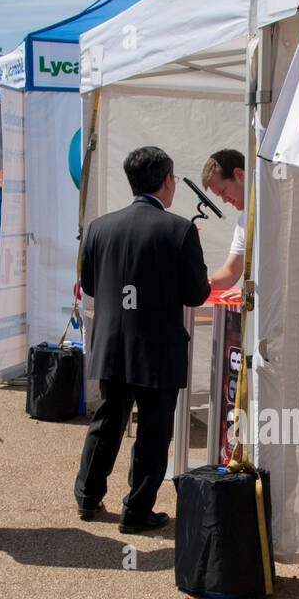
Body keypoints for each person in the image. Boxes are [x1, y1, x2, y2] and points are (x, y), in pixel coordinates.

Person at [74, 146, 211, 533]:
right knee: (153, 430)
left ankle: (87, 496)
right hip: (157, 346)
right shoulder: (179, 228)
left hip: (112, 343)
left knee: (107, 421)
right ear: (167, 181)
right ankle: (136, 511)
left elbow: (88, 284)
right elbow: (196, 294)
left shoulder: (99, 227)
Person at [202, 149, 245, 289]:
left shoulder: (275, 210)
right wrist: (199, 285)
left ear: (239, 175)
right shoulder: (243, 221)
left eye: (223, 191)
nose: (225, 200)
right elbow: (230, 272)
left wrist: (257, 293)